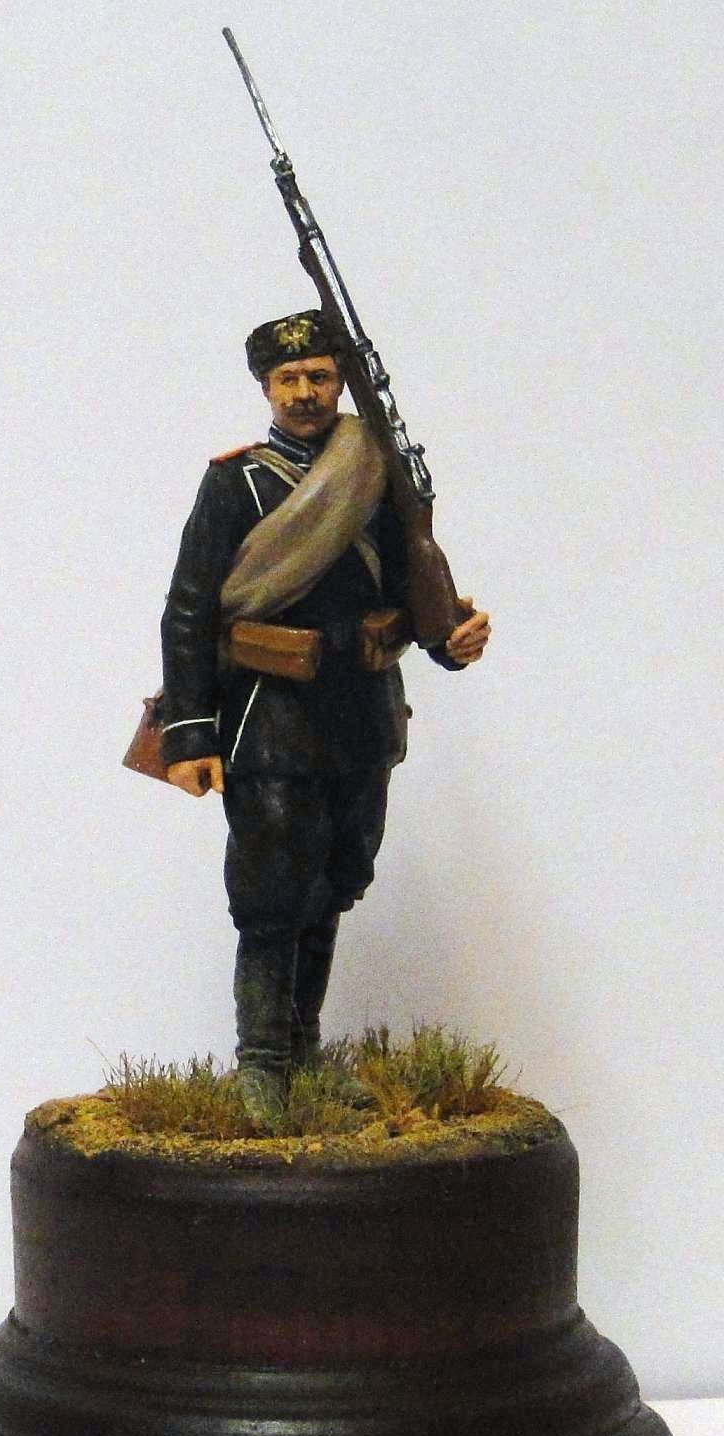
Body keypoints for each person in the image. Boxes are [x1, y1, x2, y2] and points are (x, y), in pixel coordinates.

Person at [160, 310, 489, 1119]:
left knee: (336, 879)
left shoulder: (374, 471)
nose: (304, 392)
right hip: (269, 719)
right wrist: (190, 734)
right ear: (265, 387)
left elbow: (412, 584)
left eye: (319, 376)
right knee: (272, 892)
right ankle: (262, 1064)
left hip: (361, 715)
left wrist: (450, 638)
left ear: (341, 382)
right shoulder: (236, 483)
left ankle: (303, 1052)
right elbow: (190, 609)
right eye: (288, 379)